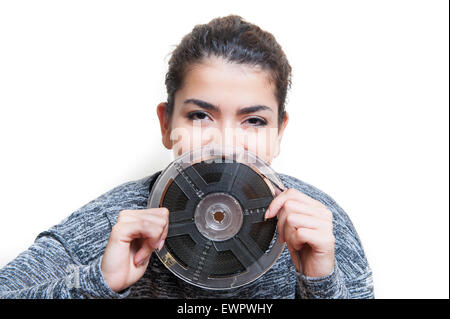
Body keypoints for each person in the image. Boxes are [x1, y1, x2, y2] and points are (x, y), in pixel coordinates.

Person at [0, 15, 374, 298]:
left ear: (278, 133)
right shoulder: (112, 226)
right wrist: (100, 282)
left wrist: (321, 285)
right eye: (200, 116)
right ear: (166, 124)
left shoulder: (323, 229)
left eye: (254, 120)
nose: (226, 143)